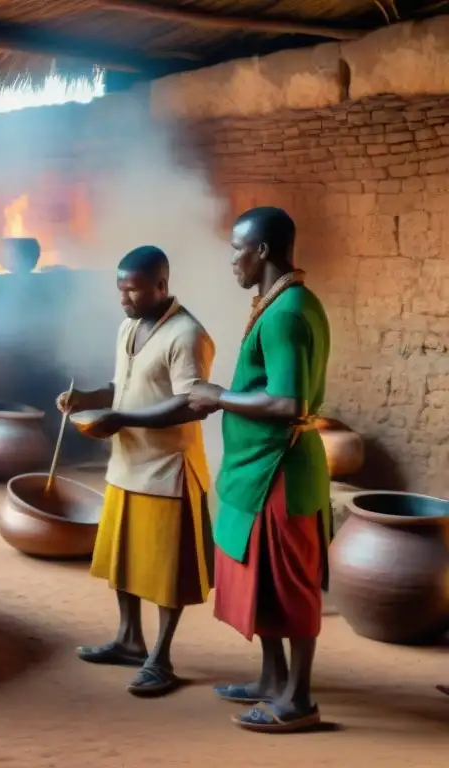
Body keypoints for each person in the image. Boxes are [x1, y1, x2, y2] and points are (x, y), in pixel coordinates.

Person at [188, 206, 331, 734]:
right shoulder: (280, 304)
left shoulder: (287, 312)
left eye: (236, 249)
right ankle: (273, 679)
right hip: (260, 469)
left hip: (281, 473)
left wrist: (219, 397)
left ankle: (299, 699)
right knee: (264, 579)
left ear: (263, 251)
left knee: (290, 586)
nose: (232, 260)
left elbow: (289, 403)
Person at [58, 245, 215, 697]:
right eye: (119, 289)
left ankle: (160, 658)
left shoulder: (187, 335)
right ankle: (129, 640)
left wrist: (122, 419)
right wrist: (88, 399)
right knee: (123, 561)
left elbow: (192, 403)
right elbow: (123, 387)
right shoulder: (130, 326)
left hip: (168, 471)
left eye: (133, 289)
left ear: (161, 286)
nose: (123, 298)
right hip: (126, 466)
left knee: (167, 573)